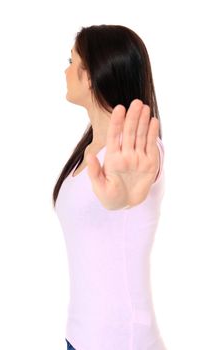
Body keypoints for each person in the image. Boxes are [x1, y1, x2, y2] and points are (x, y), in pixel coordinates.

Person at [53, 24, 167, 350]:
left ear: (93, 74)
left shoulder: (143, 151)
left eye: (71, 61)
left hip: (121, 342)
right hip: (79, 337)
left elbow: (138, 181)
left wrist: (128, 198)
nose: (65, 71)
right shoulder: (87, 153)